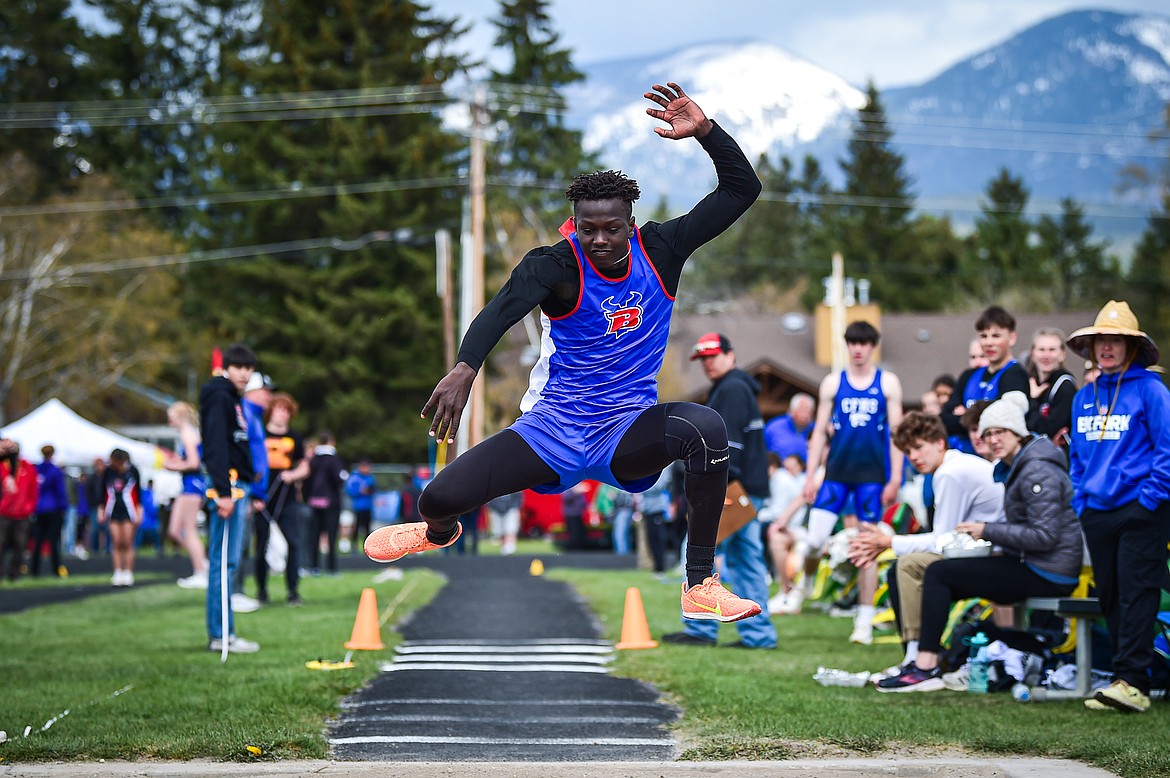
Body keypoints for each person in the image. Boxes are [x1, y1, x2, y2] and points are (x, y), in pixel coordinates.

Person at [363, 82, 764, 626]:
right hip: (553, 431)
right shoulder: (555, 265)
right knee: (437, 497)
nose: (599, 239)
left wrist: (707, 133)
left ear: (630, 224)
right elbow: (501, 311)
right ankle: (436, 532)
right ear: (575, 224)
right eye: (588, 228)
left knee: (707, 428)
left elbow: (742, 190)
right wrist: (465, 367)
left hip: (627, 429)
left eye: (612, 229)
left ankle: (700, 583)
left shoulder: (662, 249)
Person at [877, 391, 1084, 692]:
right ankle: (927, 660)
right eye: (988, 433)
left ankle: (925, 665)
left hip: (1049, 571)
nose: (993, 439)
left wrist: (987, 530)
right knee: (939, 576)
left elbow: (1045, 535)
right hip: (1029, 562)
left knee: (937, 573)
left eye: (1000, 431)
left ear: (1017, 431)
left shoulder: (1037, 467)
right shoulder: (1017, 465)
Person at [1066, 301, 1170, 713]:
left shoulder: (1151, 390)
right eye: (1100, 341)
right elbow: (1077, 457)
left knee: (1137, 593)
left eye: (1116, 340)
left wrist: (1148, 499)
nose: (1107, 347)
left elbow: (1167, 450)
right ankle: (1122, 679)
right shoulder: (1083, 397)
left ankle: (1135, 683)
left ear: (1132, 346)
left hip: (1142, 510)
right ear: (1091, 348)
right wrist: (1081, 497)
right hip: (1097, 511)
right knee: (1109, 594)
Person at [849, 411, 1004, 674]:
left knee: (906, 567)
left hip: (1000, 555)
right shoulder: (953, 466)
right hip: (989, 549)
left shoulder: (950, 473)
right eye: (908, 452)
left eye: (919, 448)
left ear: (940, 443)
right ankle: (917, 654)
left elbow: (941, 541)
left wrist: (888, 541)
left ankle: (919, 657)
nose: (914, 457)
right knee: (904, 567)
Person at [663, 332, 778, 649]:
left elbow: (726, 448)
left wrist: (715, 489)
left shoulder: (731, 389)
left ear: (731, 355)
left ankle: (701, 631)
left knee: (699, 550)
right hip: (746, 487)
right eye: (703, 359)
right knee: (746, 559)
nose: (708, 364)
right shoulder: (739, 388)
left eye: (713, 356)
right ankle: (759, 635)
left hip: (731, 486)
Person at [803, 320, 904, 645]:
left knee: (867, 547)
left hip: (871, 478)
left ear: (873, 346)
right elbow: (819, 431)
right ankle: (802, 587)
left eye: (864, 343)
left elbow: (898, 434)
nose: (858, 349)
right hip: (835, 475)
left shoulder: (887, 383)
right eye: (853, 343)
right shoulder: (833, 383)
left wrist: (896, 477)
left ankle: (863, 621)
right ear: (847, 346)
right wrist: (810, 475)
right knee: (815, 540)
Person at [200, 343, 261, 655]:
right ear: (226, 367)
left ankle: (226, 632)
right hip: (229, 488)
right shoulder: (218, 393)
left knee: (229, 562)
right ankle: (221, 635)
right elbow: (214, 446)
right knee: (223, 562)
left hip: (239, 486)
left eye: (249, 368)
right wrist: (223, 492)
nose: (245, 373)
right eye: (239, 367)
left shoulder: (232, 397)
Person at [942, 306, 1029, 454]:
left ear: (1012, 338)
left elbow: (1003, 422)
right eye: (983, 336)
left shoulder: (1015, 374)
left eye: (996, 336)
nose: (989, 342)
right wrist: (981, 414)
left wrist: (965, 417)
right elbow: (945, 420)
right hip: (967, 457)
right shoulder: (968, 376)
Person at [259, 392, 309, 604]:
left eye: (287, 411)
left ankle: (293, 591)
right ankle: (262, 591)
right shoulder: (259, 434)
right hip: (261, 499)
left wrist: (293, 475)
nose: (283, 415)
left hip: (287, 499)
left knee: (293, 543)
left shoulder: (295, 437)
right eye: (280, 410)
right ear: (271, 411)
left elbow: (304, 466)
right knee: (261, 545)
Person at [164, 402, 209, 589]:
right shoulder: (189, 433)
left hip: (193, 486)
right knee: (174, 530)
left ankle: (201, 570)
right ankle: (202, 563)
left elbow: (193, 463)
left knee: (188, 530)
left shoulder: (187, 433)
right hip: (188, 486)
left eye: (171, 416)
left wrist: (173, 465)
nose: (169, 420)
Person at [1024, 327, 1077, 455]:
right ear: (1032, 353)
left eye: (1052, 350)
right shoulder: (1030, 383)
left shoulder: (1065, 386)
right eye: (1041, 350)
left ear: (1062, 354)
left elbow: (1046, 432)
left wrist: (1032, 400)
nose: (1046, 355)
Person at [98, 449, 143, 587]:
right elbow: (102, 492)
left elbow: (139, 492)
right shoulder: (108, 472)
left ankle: (128, 572)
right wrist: (101, 510)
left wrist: (139, 511)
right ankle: (118, 571)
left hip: (129, 510)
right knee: (116, 541)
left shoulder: (133, 471)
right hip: (113, 510)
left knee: (127, 541)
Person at [305, 431, 345, 576]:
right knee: (331, 536)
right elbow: (339, 479)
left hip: (314, 501)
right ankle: (332, 568)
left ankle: (313, 566)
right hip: (331, 502)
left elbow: (306, 481)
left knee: (314, 536)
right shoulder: (335, 460)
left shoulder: (313, 459)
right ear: (331, 442)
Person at [0, 437, 38, 582]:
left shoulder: (27, 467)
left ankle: (13, 574)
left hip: (22, 514)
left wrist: (29, 507)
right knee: (0, 543)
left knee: (20, 544)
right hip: (3, 512)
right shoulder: (3, 465)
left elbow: (33, 490)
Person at [31, 444, 69, 577]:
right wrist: (63, 507)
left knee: (38, 541)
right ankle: (56, 569)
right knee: (53, 541)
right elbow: (60, 491)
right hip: (52, 508)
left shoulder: (36, 469)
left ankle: (34, 570)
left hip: (38, 508)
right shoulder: (55, 470)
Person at [763, 393, 815, 462]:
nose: (805, 414)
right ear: (792, 410)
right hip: (778, 470)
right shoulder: (774, 427)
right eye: (802, 409)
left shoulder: (816, 431)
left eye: (808, 410)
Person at [345, 459, 376, 553]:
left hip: (368, 506)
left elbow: (373, 489)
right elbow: (349, 491)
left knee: (367, 528)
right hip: (358, 507)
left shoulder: (370, 478)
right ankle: (353, 546)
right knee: (357, 527)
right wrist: (360, 491)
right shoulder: (354, 477)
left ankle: (368, 547)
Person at [487, 490, 524, 555]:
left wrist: (513, 506)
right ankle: (504, 547)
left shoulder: (515, 484)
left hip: (510, 508)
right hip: (497, 510)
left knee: (510, 529)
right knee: (499, 531)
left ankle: (510, 547)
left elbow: (518, 498)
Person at [135, 479, 163, 555]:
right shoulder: (147, 493)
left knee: (152, 536)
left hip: (149, 520)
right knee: (141, 536)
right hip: (147, 520)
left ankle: (159, 548)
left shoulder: (149, 493)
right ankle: (135, 549)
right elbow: (153, 507)